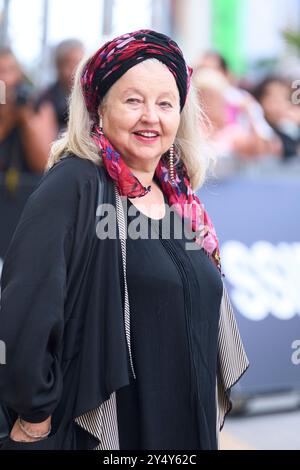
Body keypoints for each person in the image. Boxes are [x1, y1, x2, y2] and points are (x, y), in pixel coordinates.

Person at [0, 30, 248, 450]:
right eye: (133, 100)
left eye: (165, 103)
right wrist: (35, 415)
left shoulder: (179, 200)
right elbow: (25, 307)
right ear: (99, 108)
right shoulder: (75, 184)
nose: (151, 116)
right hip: (111, 433)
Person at [0, 47, 57, 174]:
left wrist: (26, 119)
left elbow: (44, 164)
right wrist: (7, 121)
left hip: (27, 188)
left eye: (10, 70)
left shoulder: (38, 106)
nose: (5, 79)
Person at [36, 39, 85, 134]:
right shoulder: (46, 100)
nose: (77, 70)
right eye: (71, 64)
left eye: (81, 63)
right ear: (58, 66)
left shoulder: (91, 96)